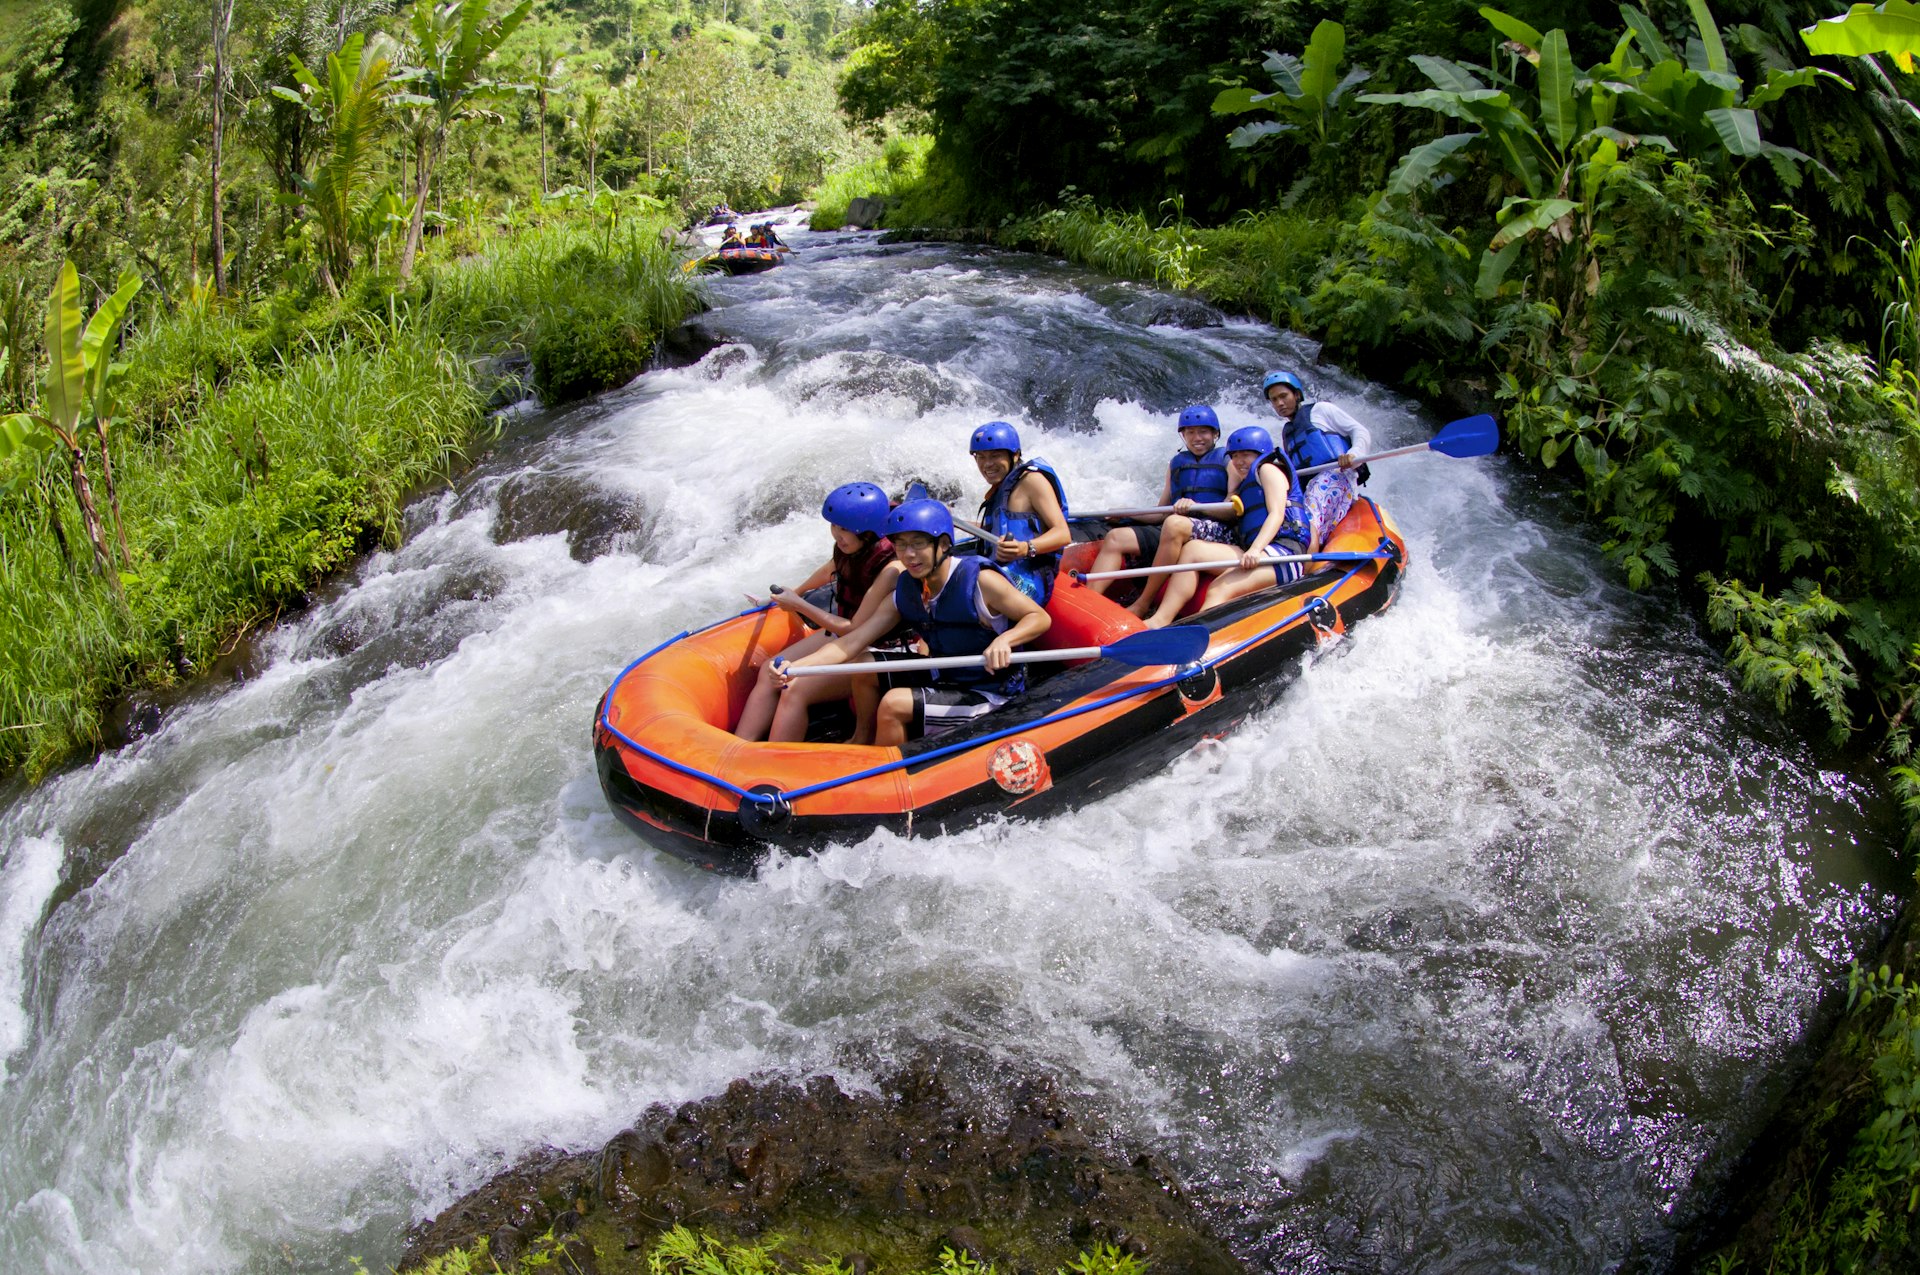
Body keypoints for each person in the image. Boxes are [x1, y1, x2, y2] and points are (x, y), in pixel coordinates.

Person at [769, 499, 1051, 746]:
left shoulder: (980, 581)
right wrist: (796, 667)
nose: (909, 555)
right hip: (944, 675)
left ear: (943, 545)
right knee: (864, 664)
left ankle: (885, 773)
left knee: (894, 704)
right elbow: (852, 641)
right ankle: (863, 739)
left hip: (989, 691)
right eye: (901, 546)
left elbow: (1038, 617)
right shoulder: (906, 588)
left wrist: (1005, 640)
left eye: (918, 544)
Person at [735, 483, 906, 744]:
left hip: (873, 650)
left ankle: (773, 763)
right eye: (835, 526)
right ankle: (739, 747)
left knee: (794, 688)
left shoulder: (891, 569)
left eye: (845, 529)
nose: (838, 534)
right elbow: (832, 568)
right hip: (841, 637)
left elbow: (853, 629)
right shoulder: (851, 547)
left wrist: (800, 605)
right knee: (770, 669)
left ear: (869, 530)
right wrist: (799, 590)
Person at [1140, 426, 1317, 628]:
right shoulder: (1244, 481)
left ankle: (1202, 639)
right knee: (1193, 549)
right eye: (1235, 456)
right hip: (1257, 551)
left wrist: (1256, 549)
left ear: (1261, 454)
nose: (1239, 461)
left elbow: (1277, 513)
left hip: (1284, 554)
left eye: (1246, 455)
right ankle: (1160, 619)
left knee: (1218, 588)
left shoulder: (1268, 470)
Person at [1085, 404, 1236, 617]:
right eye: (1190, 433)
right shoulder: (1176, 464)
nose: (1196, 438)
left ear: (1215, 434)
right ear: (1183, 435)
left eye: (1203, 431)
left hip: (1218, 530)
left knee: (1175, 524)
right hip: (1176, 527)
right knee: (1117, 537)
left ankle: (1143, 602)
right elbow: (1161, 512)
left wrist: (1196, 507)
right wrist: (1129, 512)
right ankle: (1090, 606)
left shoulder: (1228, 460)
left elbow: (1233, 509)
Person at [1262, 370, 1371, 542]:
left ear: (1297, 394)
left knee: (1307, 520)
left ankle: (1305, 552)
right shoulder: (1288, 433)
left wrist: (1353, 454)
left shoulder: (1320, 410)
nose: (1280, 403)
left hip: (1337, 477)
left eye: (1284, 396)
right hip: (1310, 487)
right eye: (1274, 400)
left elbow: (1360, 431)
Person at [969, 421, 1071, 605]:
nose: (987, 464)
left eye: (995, 456)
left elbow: (1063, 534)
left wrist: (1025, 548)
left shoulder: (1032, 481)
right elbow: (998, 530)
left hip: (1029, 581)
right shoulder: (1002, 488)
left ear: (1015, 455)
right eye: (981, 457)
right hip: (1001, 572)